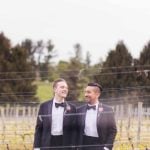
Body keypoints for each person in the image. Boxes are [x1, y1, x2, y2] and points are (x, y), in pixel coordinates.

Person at [33, 78, 76, 150]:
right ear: (55, 89)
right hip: (47, 144)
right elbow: (39, 128)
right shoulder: (44, 106)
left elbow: (75, 131)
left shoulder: (72, 108)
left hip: (65, 145)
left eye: (66, 88)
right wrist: (36, 147)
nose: (65, 89)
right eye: (62, 87)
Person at [76, 82, 117, 150]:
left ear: (97, 94)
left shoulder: (107, 110)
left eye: (89, 92)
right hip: (83, 145)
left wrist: (107, 147)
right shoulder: (79, 110)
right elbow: (76, 130)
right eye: (85, 92)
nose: (86, 94)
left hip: (100, 145)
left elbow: (113, 130)